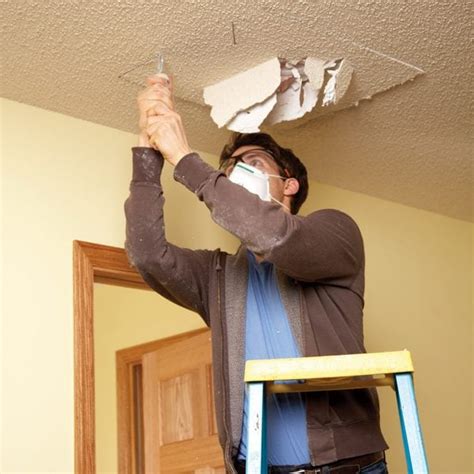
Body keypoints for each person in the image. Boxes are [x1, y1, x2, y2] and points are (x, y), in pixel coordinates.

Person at [124, 73, 389, 474]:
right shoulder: (217, 276)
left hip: (348, 466)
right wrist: (149, 158)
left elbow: (277, 237)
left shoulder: (335, 233)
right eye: (229, 168)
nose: (235, 173)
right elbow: (147, 255)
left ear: (290, 185)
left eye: (253, 163)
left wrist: (186, 159)